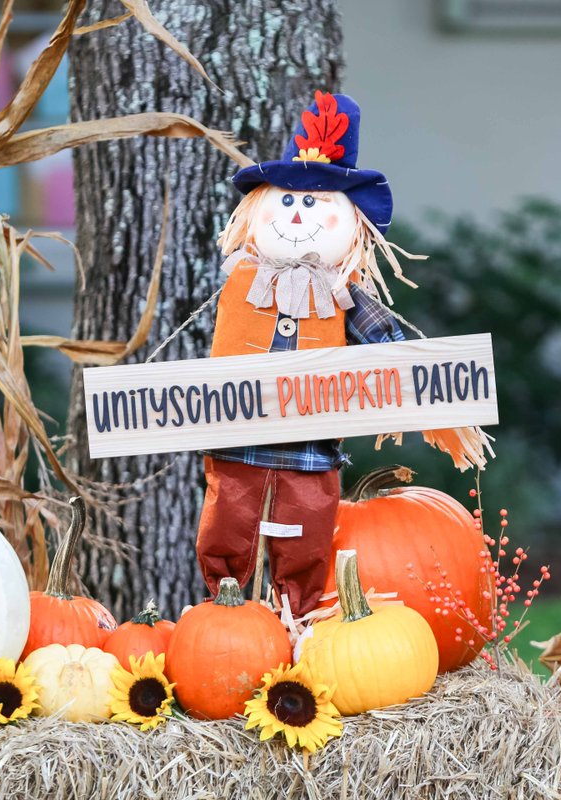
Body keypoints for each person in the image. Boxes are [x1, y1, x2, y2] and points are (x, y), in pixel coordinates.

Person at [194, 91, 491, 619]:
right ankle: (224, 614)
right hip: (237, 445)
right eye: (286, 200)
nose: (296, 214)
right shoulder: (240, 282)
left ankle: (298, 618)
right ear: (258, 208)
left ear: (350, 223)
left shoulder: (342, 293)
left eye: (314, 203)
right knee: (228, 520)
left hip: (309, 449)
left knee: (306, 529)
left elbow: (387, 345)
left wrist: (427, 388)